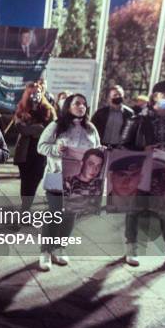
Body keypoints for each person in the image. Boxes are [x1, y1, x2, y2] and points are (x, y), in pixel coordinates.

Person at [120, 80, 165, 273]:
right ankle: (131, 247)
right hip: (143, 170)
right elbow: (122, 145)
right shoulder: (138, 118)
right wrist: (142, 150)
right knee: (135, 209)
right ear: (155, 96)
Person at [37, 93, 100, 271]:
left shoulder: (91, 128)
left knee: (71, 213)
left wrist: (100, 151)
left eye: (84, 104)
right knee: (54, 213)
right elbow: (41, 147)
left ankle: (59, 247)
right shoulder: (56, 126)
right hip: (56, 176)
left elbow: (96, 150)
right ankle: (45, 251)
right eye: (77, 103)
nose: (81, 107)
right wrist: (56, 149)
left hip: (79, 180)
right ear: (68, 106)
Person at [13, 81, 56, 211]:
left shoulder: (48, 109)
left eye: (38, 91)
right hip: (25, 151)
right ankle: (25, 208)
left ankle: (25, 207)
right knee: (25, 181)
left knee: (35, 178)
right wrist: (37, 129)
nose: (35, 95)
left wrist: (34, 129)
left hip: (40, 152)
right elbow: (20, 128)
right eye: (32, 92)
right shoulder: (21, 108)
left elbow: (52, 129)